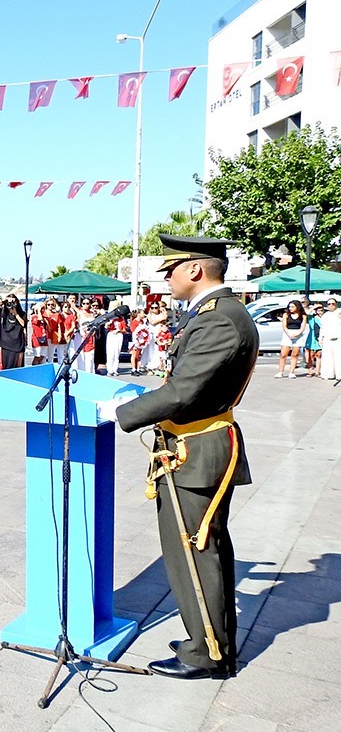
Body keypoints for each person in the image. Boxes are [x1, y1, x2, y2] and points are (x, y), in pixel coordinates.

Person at [101, 234, 257, 681]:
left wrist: (121, 412)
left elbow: (183, 391)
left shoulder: (219, 320)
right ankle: (208, 637)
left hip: (197, 448)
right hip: (190, 444)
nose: (166, 278)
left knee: (194, 552)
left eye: (170, 269)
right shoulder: (214, 314)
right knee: (198, 549)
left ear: (194, 269)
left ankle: (207, 653)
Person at [276, 299, 307, 379]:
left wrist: (298, 334)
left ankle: (291, 372)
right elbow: (284, 326)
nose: (290, 308)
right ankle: (281, 372)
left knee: (295, 354)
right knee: (283, 354)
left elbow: (303, 327)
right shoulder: (286, 315)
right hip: (287, 334)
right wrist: (289, 334)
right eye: (289, 307)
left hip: (298, 334)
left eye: (292, 307)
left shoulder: (303, 316)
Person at [318, 299, 340, 380]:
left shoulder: (339, 312)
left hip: (338, 339)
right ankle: (328, 374)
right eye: (329, 304)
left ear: (336, 304)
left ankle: (339, 375)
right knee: (327, 358)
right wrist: (320, 338)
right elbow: (322, 328)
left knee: (339, 358)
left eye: (333, 303)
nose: (331, 305)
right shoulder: (325, 315)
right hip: (327, 339)